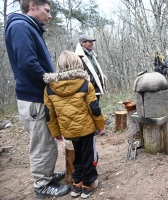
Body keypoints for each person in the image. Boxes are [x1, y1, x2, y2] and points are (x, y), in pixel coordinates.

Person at [5, 0, 70, 198]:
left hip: (37, 95)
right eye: (47, 10)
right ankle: (42, 185)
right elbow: (28, 63)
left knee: (46, 140)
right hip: (33, 97)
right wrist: (52, 82)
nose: (49, 16)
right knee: (42, 143)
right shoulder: (20, 26)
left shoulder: (28, 27)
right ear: (32, 5)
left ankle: (47, 175)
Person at [43, 51, 105, 199]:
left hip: (68, 131)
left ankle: (77, 184)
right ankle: (87, 185)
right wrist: (100, 125)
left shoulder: (50, 88)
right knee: (89, 156)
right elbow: (94, 108)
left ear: (59, 66)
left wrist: (55, 132)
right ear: (78, 64)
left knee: (76, 157)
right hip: (86, 129)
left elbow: (49, 114)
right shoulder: (85, 83)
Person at [75, 34, 107, 100]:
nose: (92, 43)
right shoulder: (77, 57)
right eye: (89, 42)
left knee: (96, 107)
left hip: (96, 87)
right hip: (87, 88)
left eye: (92, 42)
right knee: (91, 108)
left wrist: (101, 78)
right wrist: (90, 81)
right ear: (82, 43)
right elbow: (77, 74)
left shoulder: (92, 55)